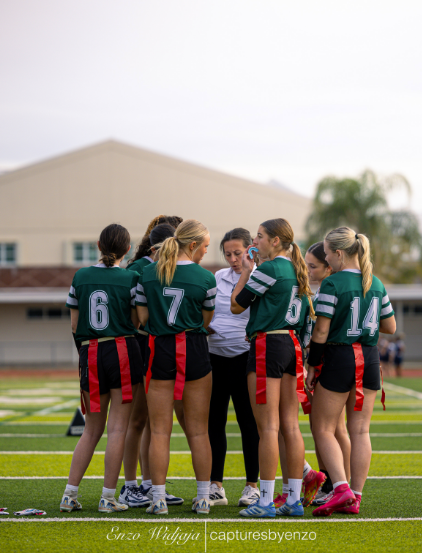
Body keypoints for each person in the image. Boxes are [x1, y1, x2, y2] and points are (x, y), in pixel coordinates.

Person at [306, 227, 396, 516]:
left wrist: (311, 363)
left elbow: (321, 329)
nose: (327, 259)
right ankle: (355, 495)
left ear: (339, 253)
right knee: (360, 430)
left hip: (339, 356)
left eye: (328, 253)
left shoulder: (332, 284)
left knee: (322, 428)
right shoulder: (377, 284)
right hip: (369, 358)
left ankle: (341, 487)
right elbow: (390, 327)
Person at [231, 218, 314, 518]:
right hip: (292, 346)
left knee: (267, 427)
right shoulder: (297, 268)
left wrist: (245, 272)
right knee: (290, 425)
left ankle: (265, 501)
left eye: (260, 236)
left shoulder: (269, 269)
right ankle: (292, 498)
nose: (256, 241)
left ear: (276, 241)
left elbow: (236, 305)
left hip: (268, 344)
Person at [136, 219, 216, 515]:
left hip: (160, 349)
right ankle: (204, 498)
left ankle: (157, 499)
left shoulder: (148, 273)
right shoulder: (205, 278)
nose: (206, 251)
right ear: (192, 245)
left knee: (159, 431)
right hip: (193, 348)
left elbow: (142, 318)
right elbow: (206, 322)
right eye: (205, 246)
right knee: (198, 432)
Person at [60, 224, 142, 513]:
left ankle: (69, 494)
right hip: (121, 351)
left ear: (98, 244)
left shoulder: (81, 276)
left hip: (90, 352)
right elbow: (136, 321)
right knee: (117, 429)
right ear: (127, 249)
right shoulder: (132, 277)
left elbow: (74, 325)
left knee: (90, 430)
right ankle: (108, 496)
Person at [119, 223, 183, 507]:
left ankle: (149, 483)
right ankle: (130, 485)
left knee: (152, 422)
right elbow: (134, 318)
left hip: (155, 347)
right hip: (140, 346)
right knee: (138, 420)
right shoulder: (140, 270)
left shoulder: (168, 269)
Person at [205, 228, 260, 507]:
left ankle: (252, 486)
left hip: (245, 357)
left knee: (248, 422)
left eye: (237, 253)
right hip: (214, 357)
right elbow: (212, 310)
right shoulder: (218, 277)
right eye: (227, 254)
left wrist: (249, 272)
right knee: (215, 422)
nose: (233, 259)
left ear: (250, 250)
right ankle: (216, 486)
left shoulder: (261, 276)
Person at [304, 242, 350, 506]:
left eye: (313, 266)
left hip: (329, 360)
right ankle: (334, 483)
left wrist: (312, 363)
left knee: (329, 428)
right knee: (328, 427)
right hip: (337, 360)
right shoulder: (325, 290)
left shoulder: (329, 290)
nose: (308, 271)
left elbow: (320, 332)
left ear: (329, 267)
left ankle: (337, 483)